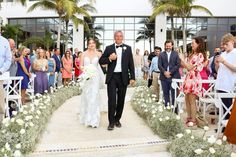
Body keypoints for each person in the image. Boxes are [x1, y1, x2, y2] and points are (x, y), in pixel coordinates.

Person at [99, 30, 135, 131]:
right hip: (112, 77)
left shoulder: (128, 48)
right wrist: (110, 59)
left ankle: (117, 119)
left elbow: (131, 64)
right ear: (114, 37)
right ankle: (111, 122)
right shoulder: (109, 48)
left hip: (123, 77)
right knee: (112, 100)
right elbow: (101, 60)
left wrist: (132, 77)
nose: (118, 38)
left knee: (121, 100)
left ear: (122, 37)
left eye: (120, 36)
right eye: (117, 36)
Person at [79, 38, 104, 128]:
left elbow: (103, 64)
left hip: (95, 78)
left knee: (94, 97)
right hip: (86, 77)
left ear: (95, 44)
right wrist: (86, 70)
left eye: (93, 43)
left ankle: (94, 120)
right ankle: (87, 118)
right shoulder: (83, 54)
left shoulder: (99, 54)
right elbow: (80, 66)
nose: (91, 44)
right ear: (87, 44)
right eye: (89, 43)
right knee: (86, 97)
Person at [181, 37, 206, 127]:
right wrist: (183, 61)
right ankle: (189, 117)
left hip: (194, 78)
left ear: (199, 44)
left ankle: (194, 120)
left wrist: (183, 60)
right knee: (186, 99)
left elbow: (190, 67)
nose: (191, 45)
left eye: (193, 43)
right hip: (188, 78)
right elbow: (185, 67)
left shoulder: (200, 55)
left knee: (192, 100)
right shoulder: (191, 54)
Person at [215, 33, 236, 120]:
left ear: (232, 42)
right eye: (224, 44)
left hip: (229, 84)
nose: (225, 46)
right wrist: (216, 65)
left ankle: (227, 128)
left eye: (227, 44)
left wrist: (223, 62)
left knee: (228, 108)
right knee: (223, 108)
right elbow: (218, 71)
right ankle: (223, 126)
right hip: (220, 83)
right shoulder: (223, 54)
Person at [158, 40, 181, 106]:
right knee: (165, 94)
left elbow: (178, 65)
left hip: (174, 77)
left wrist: (170, 72)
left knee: (174, 94)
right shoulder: (161, 54)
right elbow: (159, 65)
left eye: (169, 46)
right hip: (164, 77)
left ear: (172, 46)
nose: (168, 47)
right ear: (165, 46)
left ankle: (175, 109)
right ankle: (167, 108)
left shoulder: (176, 54)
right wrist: (165, 72)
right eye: (167, 46)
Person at [0, 35, 12, 122]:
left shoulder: (4, 41)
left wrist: (1, 70)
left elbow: (8, 59)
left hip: (0, 76)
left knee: (0, 104)